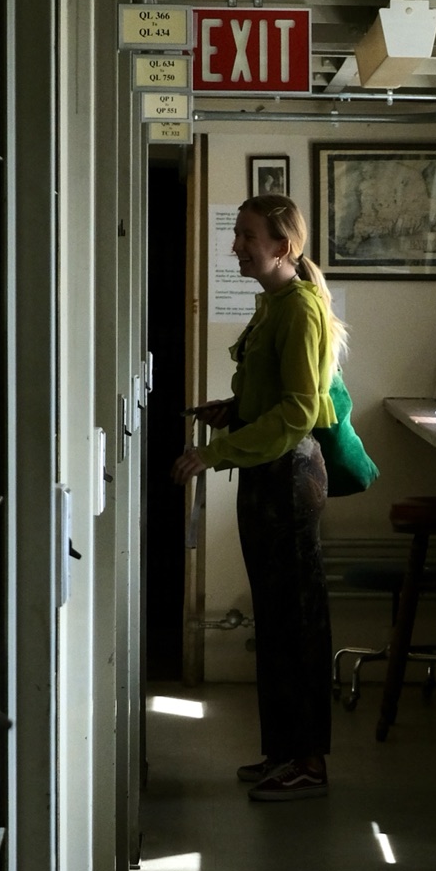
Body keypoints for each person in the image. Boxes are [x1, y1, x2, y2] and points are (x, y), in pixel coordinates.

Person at [171, 195, 343, 803]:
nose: (236, 246)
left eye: (247, 236)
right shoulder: (272, 305)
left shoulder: (298, 309)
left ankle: (309, 762)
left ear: (282, 245)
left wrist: (215, 452)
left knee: (297, 622)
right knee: (274, 621)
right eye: (237, 234)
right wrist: (231, 413)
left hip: (289, 478)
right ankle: (282, 752)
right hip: (267, 474)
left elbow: (298, 412)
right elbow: (273, 398)